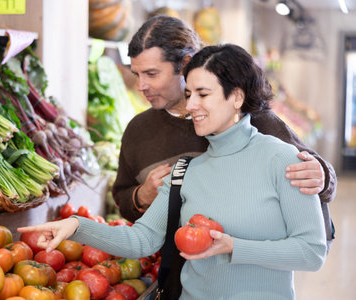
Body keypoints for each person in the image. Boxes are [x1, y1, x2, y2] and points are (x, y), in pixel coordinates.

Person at [18, 44, 327, 299]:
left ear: (236, 97)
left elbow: (311, 252)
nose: (191, 104)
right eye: (189, 93)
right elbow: (142, 240)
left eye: (203, 94)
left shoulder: (283, 159)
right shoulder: (186, 171)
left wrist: (233, 247)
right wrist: (76, 226)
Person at [112, 15, 335, 249]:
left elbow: (313, 173)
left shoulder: (247, 117)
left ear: (185, 64)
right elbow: (124, 199)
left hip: (245, 267)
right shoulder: (137, 131)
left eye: (151, 74)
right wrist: (141, 196)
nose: (141, 86)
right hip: (177, 269)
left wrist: (322, 177)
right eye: (137, 74)